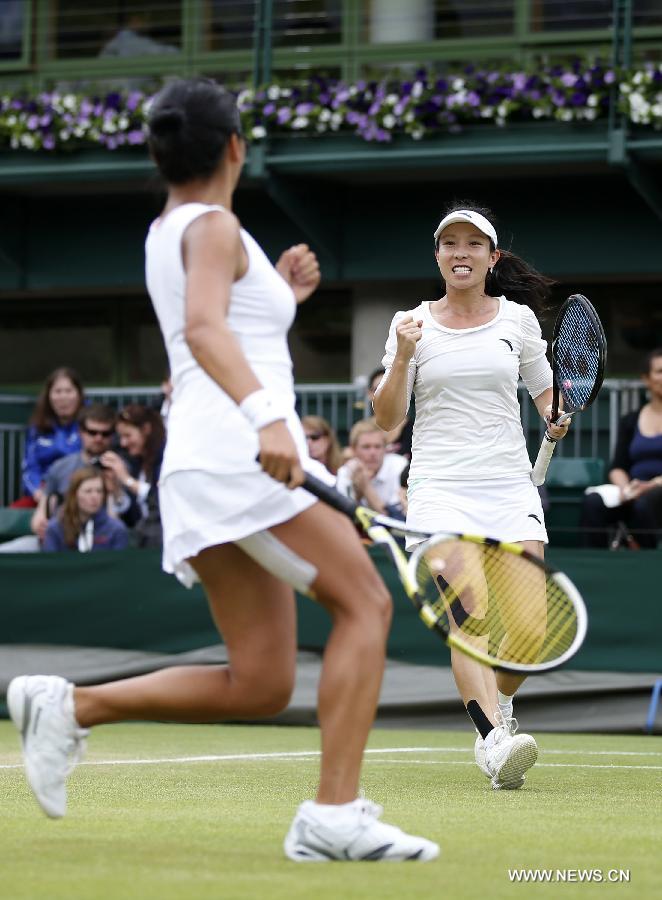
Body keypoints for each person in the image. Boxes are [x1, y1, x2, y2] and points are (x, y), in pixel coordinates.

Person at [7, 78, 438, 863]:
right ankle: (334, 816)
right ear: (236, 147)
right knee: (367, 604)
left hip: (207, 463)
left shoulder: (172, 229)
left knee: (263, 682)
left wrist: (280, 294)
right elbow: (206, 329)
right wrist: (267, 420)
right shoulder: (213, 226)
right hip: (238, 456)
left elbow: (217, 323)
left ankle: (70, 705)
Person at [372, 203, 571, 791]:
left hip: (509, 487)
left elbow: (544, 393)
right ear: (438, 256)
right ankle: (490, 740)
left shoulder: (517, 320)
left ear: (492, 257)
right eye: (449, 244)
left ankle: (500, 707)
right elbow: (386, 421)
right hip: (439, 490)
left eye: (473, 244)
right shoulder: (409, 324)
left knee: (530, 634)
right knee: (471, 617)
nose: (461, 252)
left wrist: (554, 417)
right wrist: (404, 356)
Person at [0, 403, 119, 553]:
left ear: (113, 435)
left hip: (100, 546)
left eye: (105, 433)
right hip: (58, 541)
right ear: (81, 432)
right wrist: (42, 522)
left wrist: (116, 488)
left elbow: (118, 524)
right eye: (92, 432)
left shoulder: (120, 468)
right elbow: (40, 516)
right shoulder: (61, 466)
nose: (98, 438)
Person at [581, 347, 662, 549]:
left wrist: (650, 486)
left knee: (646, 503)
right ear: (646, 379)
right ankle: (596, 564)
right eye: (660, 371)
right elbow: (618, 466)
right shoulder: (630, 421)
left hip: (655, 494)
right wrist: (626, 489)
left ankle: (647, 563)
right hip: (633, 491)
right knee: (593, 502)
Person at [13, 367, 85, 508]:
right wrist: (38, 492)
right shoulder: (37, 427)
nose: (63, 397)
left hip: (78, 493)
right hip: (42, 493)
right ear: (49, 396)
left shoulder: (89, 426)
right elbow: (30, 467)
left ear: (79, 395)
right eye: (58, 391)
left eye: (68, 391)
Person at [100, 404, 166, 547]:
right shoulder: (135, 462)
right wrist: (116, 490)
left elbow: (161, 499)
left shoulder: (166, 459)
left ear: (146, 429)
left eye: (128, 435)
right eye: (121, 437)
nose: (123, 443)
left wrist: (126, 479)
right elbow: (135, 515)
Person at [42, 467, 129, 552]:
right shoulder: (55, 528)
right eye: (88, 491)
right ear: (74, 495)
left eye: (99, 491)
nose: (95, 497)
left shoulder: (116, 530)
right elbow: (50, 564)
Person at [335, 417, 408, 518]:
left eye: (378, 446)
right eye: (366, 447)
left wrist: (366, 487)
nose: (373, 453)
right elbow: (344, 517)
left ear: (385, 449)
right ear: (353, 449)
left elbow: (394, 520)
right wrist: (357, 492)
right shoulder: (346, 472)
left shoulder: (399, 466)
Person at [366, 367, 413, 458]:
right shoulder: (361, 430)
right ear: (370, 394)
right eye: (377, 389)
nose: (384, 394)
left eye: (388, 388)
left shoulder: (414, 430)